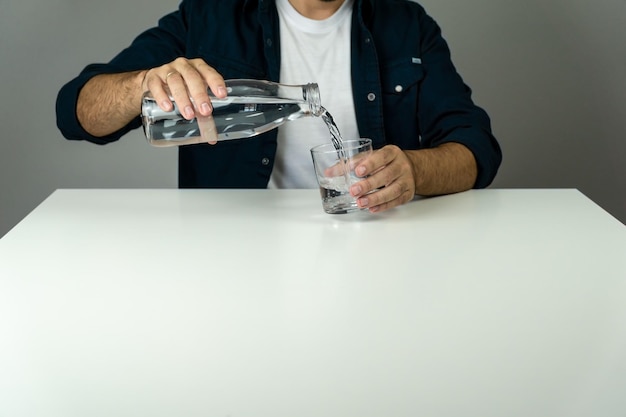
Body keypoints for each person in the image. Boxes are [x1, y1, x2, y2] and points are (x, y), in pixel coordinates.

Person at [56, 0, 502, 213]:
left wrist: (413, 170)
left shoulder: (406, 24)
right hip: (234, 259)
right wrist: (142, 83)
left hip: (374, 248)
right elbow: (76, 113)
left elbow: (477, 149)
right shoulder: (211, 18)